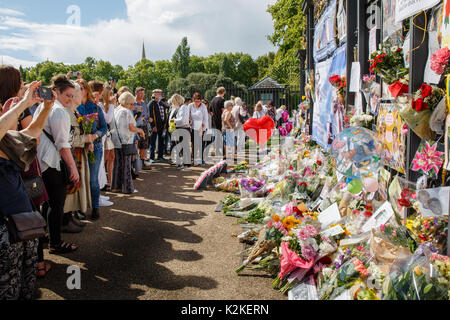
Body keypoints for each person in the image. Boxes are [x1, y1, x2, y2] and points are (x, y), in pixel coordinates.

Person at [0, 78, 55, 300]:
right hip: (4, 227)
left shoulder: (9, 141)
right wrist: (22, 104)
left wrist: (45, 108)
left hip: (22, 221)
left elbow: (34, 130)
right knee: (7, 284)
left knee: (25, 281)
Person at [35, 75, 79, 254]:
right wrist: (73, 168)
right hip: (51, 161)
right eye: (67, 95)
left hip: (42, 160)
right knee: (57, 203)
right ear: (56, 92)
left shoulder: (45, 106)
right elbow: (62, 144)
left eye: (71, 95)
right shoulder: (59, 110)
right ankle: (55, 242)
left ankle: (44, 235)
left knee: (47, 202)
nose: (69, 98)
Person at [61, 81, 92, 232]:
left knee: (74, 188)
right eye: (79, 92)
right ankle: (65, 221)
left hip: (77, 153)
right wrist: (86, 139)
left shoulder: (74, 111)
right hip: (71, 154)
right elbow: (69, 139)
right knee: (69, 189)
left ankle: (70, 217)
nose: (81, 94)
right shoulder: (67, 112)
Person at [76, 79, 108, 221]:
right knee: (79, 179)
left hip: (95, 147)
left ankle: (95, 207)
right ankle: (80, 208)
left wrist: (95, 136)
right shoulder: (73, 108)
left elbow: (104, 128)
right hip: (77, 148)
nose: (80, 90)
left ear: (87, 90)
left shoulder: (95, 108)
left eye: (82, 87)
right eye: (77, 87)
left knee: (93, 180)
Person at [111, 92, 145, 194]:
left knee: (117, 165)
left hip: (116, 141)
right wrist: (140, 130)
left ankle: (116, 186)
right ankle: (127, 188)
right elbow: (131, 127)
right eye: (131, 104)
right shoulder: (126, 112)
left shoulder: (116, 110)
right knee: (126, 165)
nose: (132, 106)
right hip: (126, 141)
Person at [99, 85, 117, 192]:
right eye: (110, 93)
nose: (112, 96)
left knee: (112, 157)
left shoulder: (110, 105)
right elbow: (108, 119)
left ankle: (110, 181)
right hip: (104, 135)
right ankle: (103, 182)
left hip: (111, 134)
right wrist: (111, 106)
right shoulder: (101, 105)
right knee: (104, 158)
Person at [148, 89, 168, 163]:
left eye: (160, 93)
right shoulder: (151, 103)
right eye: (157, 93)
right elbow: (150, 115)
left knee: (161, 141)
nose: (159, 95)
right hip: (155, 126)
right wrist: (153, 126)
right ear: (153, 94)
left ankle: (160, 156)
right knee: (152, 142)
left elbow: (165, 111)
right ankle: (151, 157)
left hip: (162, 125)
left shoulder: (161, 103)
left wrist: (165, 123)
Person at [189, 93, 210, 166]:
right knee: (194, 144)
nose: (198, 102)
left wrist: (202, 128)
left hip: (202, 127)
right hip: (193, 127)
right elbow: (188, 116)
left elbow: (205, 118)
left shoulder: (203, 106)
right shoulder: (190, 106)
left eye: (199, 101)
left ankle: (201, 159)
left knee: (201, 144)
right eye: (196, 101)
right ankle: (194, 159)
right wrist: (189, 122)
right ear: (193, 100)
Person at [133, 87, 151, 171]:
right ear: (136, 93)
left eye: (143, 93)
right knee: (135, 145)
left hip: (144, 126)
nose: (142, 95)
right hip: (135, 127)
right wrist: (139, 118)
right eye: (140, 93)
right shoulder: (132, 103)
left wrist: (148, 119)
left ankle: (142, 162)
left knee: (143, 145)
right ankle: (134, 164)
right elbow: (132, 116)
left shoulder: (144, 103)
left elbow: (147, 115)